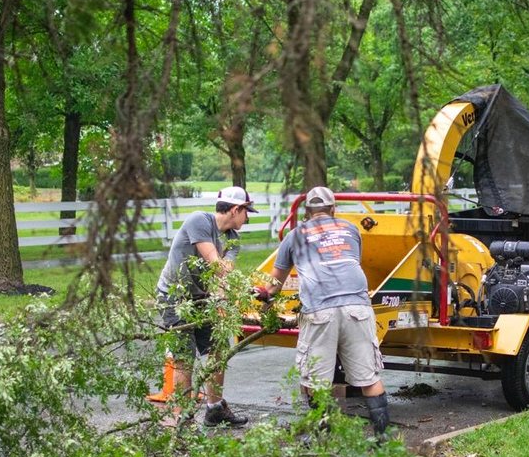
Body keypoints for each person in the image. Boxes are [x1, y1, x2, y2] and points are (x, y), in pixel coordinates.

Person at [257, 186, 391, 437]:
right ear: (333, 209)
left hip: (320, 310)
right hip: (357, 306)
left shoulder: (294, 236)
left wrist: (264, 301)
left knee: (316, 382)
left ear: (307, 212)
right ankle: (383, 440)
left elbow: (274, 284)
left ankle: (319, 439)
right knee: (369, 378)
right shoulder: (350, 229)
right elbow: (351, 265)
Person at [157, 185, 257, 426]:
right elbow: (216, 265)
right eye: (246, 212)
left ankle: (214, 409)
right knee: (184, 356)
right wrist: (241, 288)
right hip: (176, 297)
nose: (248, 217)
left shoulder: (232, 239)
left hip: (202, 298)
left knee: (218, 348)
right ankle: (183, 414)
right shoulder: (198, 221)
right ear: (235, 209)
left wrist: (223, 300)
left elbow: (225, 275)